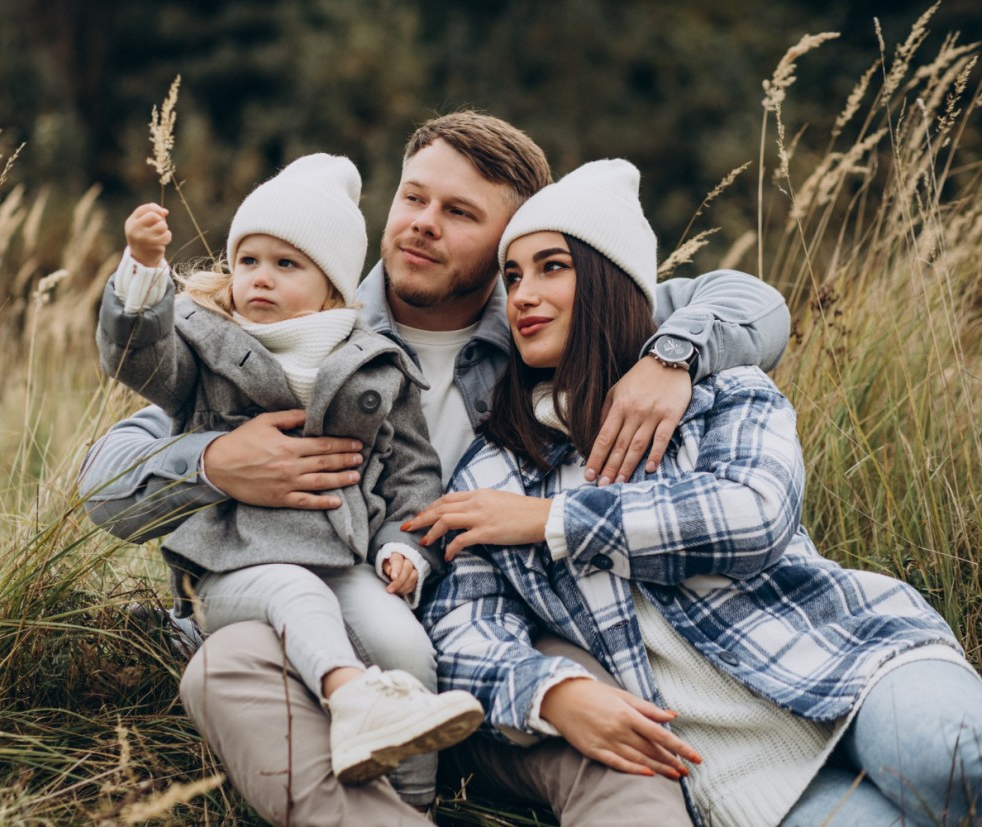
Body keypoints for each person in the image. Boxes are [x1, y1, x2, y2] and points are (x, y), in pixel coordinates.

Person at [80, 112, 791, 823]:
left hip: (503, 628)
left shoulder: (543, 321)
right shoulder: (300, 325)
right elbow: (107, 482)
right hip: (335, 627)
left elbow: (753, 303)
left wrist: (671, 359)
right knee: (228, 665)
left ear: (510, 241)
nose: (423, 223)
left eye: (460, 213)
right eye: (414, 198)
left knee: (602, 716)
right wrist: (214, 463)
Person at [411, 158, 982, 826]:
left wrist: (552, 520)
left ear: (609, 279)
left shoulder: (717, 390)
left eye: (551, 267)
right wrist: (552, 693)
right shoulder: (494, 471)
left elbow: (755, 516)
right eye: (512, 277)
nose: (522, 296)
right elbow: (462, 629)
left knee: (954, 765)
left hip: (852, 660)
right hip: (737, 774)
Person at [98, 153, 486, 795]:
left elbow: (411, 474)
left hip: (343, 560)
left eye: (286, 265)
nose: (261, 278)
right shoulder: (203, 344)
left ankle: (416, 804)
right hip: (230, 566)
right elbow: (138, 360)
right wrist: (142, 270)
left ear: (332, 286)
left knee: (405, 646)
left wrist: (405, 548)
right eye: (248, 260)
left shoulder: (376, 364)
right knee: (297, 595)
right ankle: (352, 700)